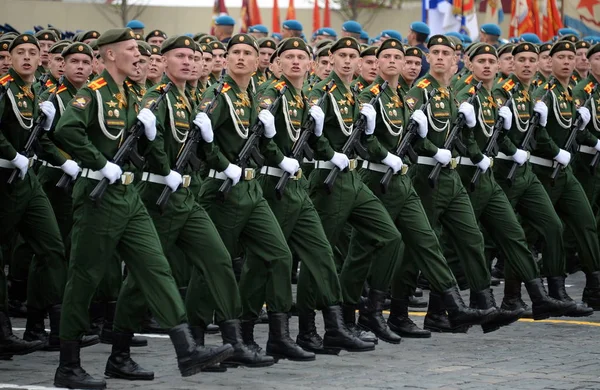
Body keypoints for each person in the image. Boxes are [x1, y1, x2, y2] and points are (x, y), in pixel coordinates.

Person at [52, 28, 234, 389]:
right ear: (109, 56)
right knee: (85, 278)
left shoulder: (134, 96)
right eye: (131, 49)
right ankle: (68, 364)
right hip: (98, 196)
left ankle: (185, 350)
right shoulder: (94, 94)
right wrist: (99, 162)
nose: (139, 55)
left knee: (155, 268)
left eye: (139, 49)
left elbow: (150, 145)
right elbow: (66, 130)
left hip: (130, 197)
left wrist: (161, 162)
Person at [193, 33, 311, 362]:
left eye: (248, 52)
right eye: (236, 52)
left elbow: (258, 141)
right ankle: (202, 342)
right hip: (222, 190)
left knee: (279, 255)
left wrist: (274, 148)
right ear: (227, 59)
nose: (242, 58)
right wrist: (221, 164)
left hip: (251, 189)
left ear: (259, 61)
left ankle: (269, 334)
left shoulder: (253, 95)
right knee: (212, 267)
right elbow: (201, 142)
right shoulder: (218, 95)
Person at [253, 37, 374, 354]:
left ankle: (333, 327)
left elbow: (313, 140)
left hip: (297, 184)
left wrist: (329, 151)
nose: (295, 62)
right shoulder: (272, 94)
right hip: (273, 184)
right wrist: (279, 157)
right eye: (288, 57)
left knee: (321, 253)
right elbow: (258, 139)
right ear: (277, 64)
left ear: (310, 64)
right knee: (267, 263)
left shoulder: (303, 98)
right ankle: (264, 334)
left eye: (300, 57)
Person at [404, 35, 519, 333]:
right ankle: (407, 312)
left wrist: (476, 153)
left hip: (452, 175)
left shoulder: (451, 93)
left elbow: (463, 137)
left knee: (472, 238)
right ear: (429, 57)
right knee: (423, 245)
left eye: (446, 53)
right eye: (435, 52)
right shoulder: (421, 91)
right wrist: (432, 148)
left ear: (456, 59)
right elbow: (406, 136)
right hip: (427, 177)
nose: (440, 57)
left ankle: (483, 304)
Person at [306, 36, 404, 343]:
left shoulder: (355, 94)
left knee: (390, 237)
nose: (348, 61)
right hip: (328, 179)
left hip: (353, 177)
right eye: (342, 55)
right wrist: (326, 149)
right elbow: (309, 135)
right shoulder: (322, 91)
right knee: (319, 255)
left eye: (353, 56)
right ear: (331, 59)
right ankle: (311, 329)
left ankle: (369, 313)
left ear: (360, 62)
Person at [0, 33, 68, 359]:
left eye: (31, 52)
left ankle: (49, 326)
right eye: (20, 52)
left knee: (52, 247)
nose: (27, 57)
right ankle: (2, 332)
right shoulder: (4, 88)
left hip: (28, 181)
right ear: (10, 58)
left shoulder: (33, 92)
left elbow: (40, 140)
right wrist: (10, 153)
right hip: (4, 177)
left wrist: (65, 160)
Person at [530, 40, 600, 312]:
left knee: (585, 222)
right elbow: (536, 132)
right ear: (551, 61)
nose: (568, 61)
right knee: (551, 230)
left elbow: (575, 129)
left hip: (566, 170)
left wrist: (582, 129)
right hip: (546, 169)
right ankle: (555, 290)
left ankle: (594, 287)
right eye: (561, 57)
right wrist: (555, 150)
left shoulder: (570, 91)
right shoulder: (543, 93)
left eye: (571, 57)